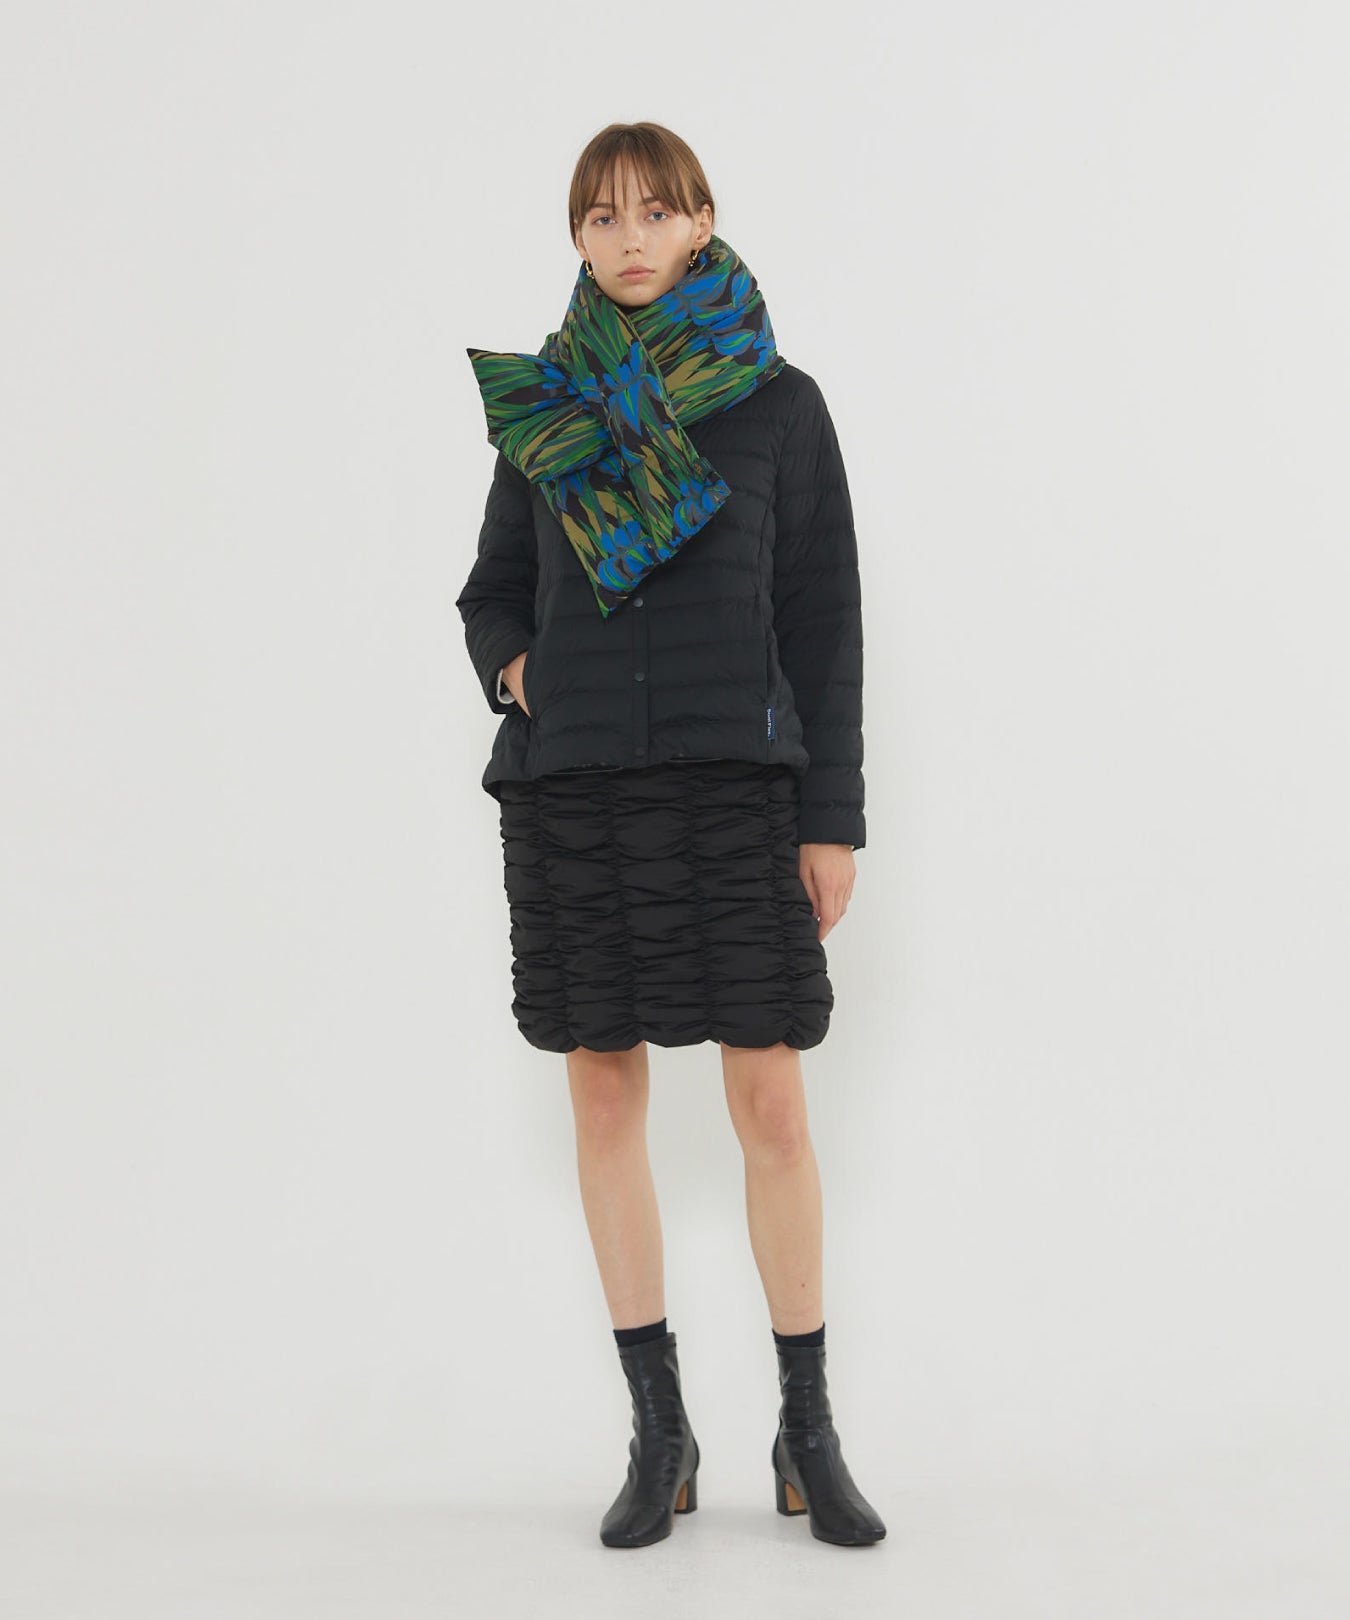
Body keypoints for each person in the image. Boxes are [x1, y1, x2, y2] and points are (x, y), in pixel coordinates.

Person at [456, 122, 884, 1549]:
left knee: (771, 1104)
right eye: (602, 216)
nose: (629, 237)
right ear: (577, 238)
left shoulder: (777, 404)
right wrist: (523, 673)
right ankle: (660, 1433)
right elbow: (493, 590)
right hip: (577, 785)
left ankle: (807, 1432)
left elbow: (821, 618)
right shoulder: (546, 405)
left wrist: (830, 823)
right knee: (601, 1096)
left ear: (701, 221)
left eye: (656, 211)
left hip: (736, 784)